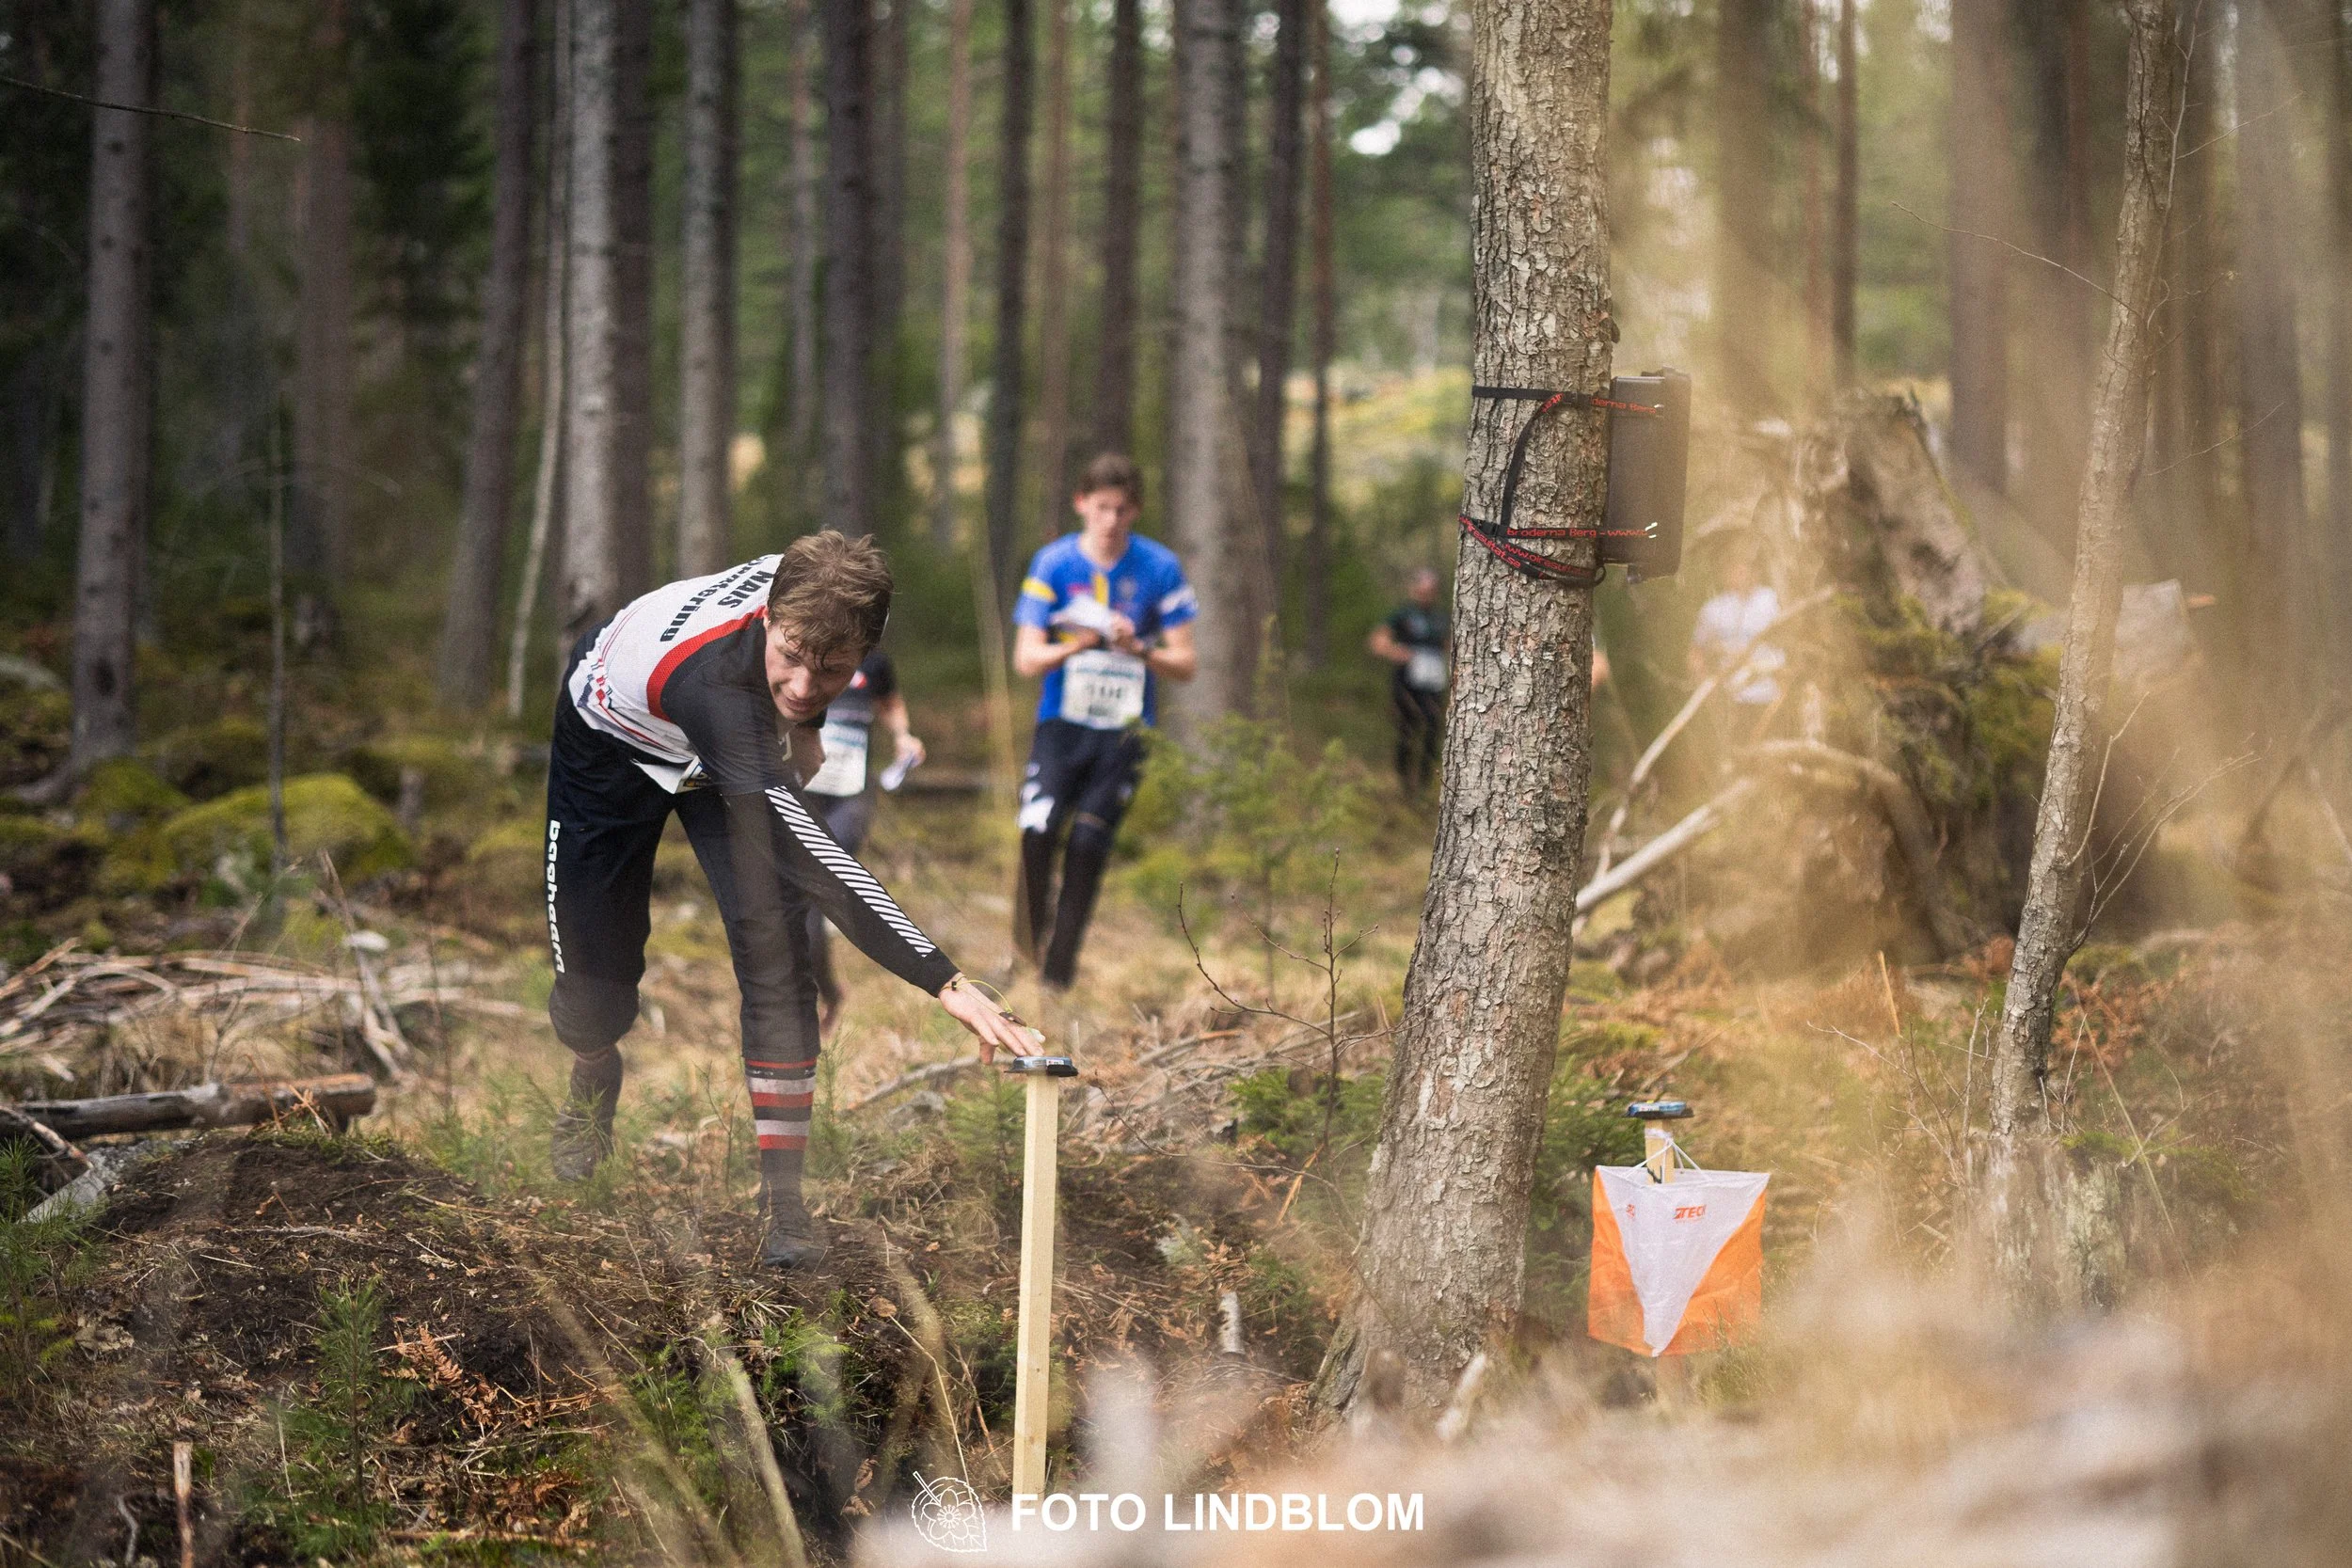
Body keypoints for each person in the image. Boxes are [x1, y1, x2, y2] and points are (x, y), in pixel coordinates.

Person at [543, 531, 1034, 1270]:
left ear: (866, 651)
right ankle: (592, 1067)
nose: (806, 685)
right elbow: (822, 863)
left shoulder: (826, 596)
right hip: (612, 735)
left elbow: (798, 694)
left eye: (833, 670)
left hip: (727, 743)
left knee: (774, 943)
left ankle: (784, 1199)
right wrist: (946, 979)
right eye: (793, 658)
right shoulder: (719, 682)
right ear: (769, 621)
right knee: (594, 987)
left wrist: (799, 725)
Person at [1010, 453, 1199, 989]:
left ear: (1135, 510)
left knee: (1090, 844)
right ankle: (1026, 946)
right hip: (1061, 725)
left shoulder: (1160, 567)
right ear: (1081, 505)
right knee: (1037, 829)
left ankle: (1057, 974)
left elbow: (1186, 664)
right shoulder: (1053, 564)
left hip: (1124, 732)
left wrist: (1140, 649)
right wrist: (1081, 642)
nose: (1111, 521)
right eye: (1101, 509)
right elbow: (1026, 659)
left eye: (1121, 510)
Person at [801, 647, 926, 1036]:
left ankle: (821, 1000)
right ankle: (826, 995)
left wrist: (903, 737)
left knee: (815, 884)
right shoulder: (799, 648)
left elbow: (889, 701)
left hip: (852, 794)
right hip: (802, 788)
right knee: (799, 899)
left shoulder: (874, 659)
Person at [1368, 568, 1450, 792]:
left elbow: (1448, 645)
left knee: (1432, 729)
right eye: (1422, 591)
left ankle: (1424, 783)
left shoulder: (1441, 618)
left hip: (1432, 683)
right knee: (1406, 729)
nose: (1426, 595)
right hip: (1406, 681)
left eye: (1430, 591)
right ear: (1414, 590)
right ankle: (1404, 783)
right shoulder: (1403, 615)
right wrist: (1394, 651)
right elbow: (1376, 640)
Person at [1687, 532, 1785, 717]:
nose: (1739, 571)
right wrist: (1709, 694)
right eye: (1732, 565)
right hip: (1733, 701)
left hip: (1771, 701)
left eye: (1745, 565)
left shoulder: (1771, 600)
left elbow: (1790, 643)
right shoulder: (1713, 610)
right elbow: (1695, 654)